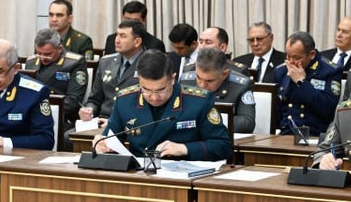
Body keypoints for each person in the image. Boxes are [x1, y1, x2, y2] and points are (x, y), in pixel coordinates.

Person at [93, 50, 231, 161]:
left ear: (172, 79)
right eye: (146, 90)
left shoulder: (198, 101)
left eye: (160, 90)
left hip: (181, 174)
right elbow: (111, 138)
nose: (154, 97)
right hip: (139, 173)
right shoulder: (125, 100)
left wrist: (185, 148)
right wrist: (102, 143)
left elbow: (223, 146)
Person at [273, 31, 342, 136]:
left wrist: (302, 83)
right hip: (285, 132)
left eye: (296, 58)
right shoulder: (280, 71)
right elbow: (276, 109)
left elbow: (328, 109)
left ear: (312, 54)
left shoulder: (329, 71)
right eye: (288, 56)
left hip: (313, 134)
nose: (291, 62)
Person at [81, 19, 146, 121]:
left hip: (132, 123)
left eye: (123, 36)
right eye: (117, 35)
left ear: (137, 42)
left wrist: (116, 124)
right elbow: (94, 100)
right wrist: (89, 110)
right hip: (102, 120)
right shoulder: (105, 62)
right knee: (68, 132)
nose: (117, 40)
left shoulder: (150, 63)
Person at [180, 49, 255, 133]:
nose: (202, 85)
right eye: (198, 78)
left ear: (225, 74)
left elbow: (247, 122)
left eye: (209, 81)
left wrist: (210, 124)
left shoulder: (241, 86)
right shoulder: (186, 81)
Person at [22, 29, 87, 123]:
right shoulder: (31, 62)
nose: (42, 58)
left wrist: (43, 112)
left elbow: (73, 100)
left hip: (61, 117)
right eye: (39, 53)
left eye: (47, 54)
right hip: (32, 116)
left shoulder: (74, 63)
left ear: (59, 48)